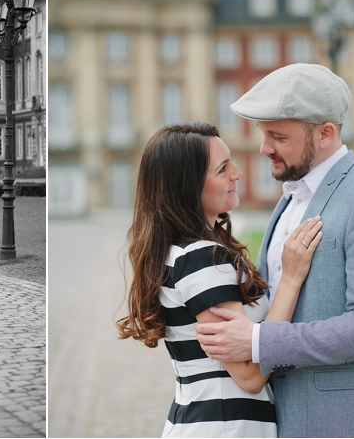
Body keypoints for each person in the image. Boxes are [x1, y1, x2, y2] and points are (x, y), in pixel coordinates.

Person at [195, 63, 354, 437]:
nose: (263, 148)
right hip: (285, 418)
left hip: (347, 421)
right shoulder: (289, 199)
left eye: (278, 136)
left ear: (325, 134)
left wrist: (259, 341)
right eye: (263, 134)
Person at [116, 121, 323, 438]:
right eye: (223, 169)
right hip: (224, 427)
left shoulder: (184, 253)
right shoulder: (201, 258)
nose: (237, 174)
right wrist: (291, 278)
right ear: (189, 186)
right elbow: (250, 375)